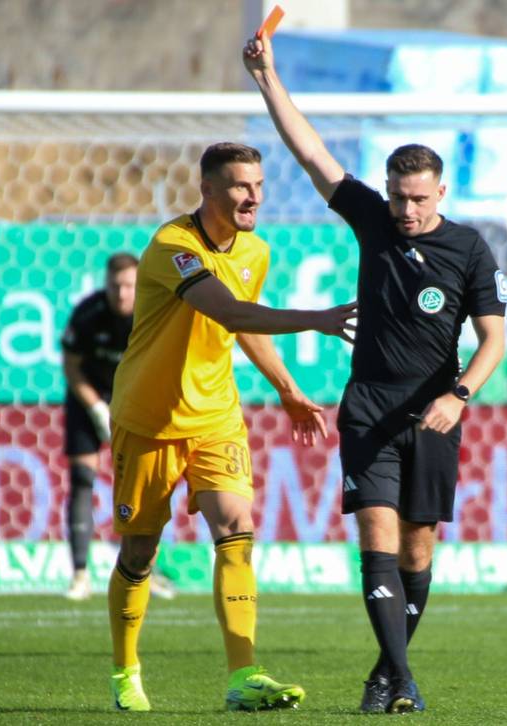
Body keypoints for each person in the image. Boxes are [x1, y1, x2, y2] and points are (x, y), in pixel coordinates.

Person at [244, 30, 507, 715]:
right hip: (367, 408)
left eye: (418, 199)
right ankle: (403, 679)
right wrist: (268, 78)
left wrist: (459, 394)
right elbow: (311, 154)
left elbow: (494, 341)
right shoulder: (374, 222)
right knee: (377, 536)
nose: (407, 210)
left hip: (434, 413)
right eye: (397, 197)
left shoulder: (470, 248)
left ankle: (385, 674)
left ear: (441, 190)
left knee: (419, 550)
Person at [105, 141, 357, 713]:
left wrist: (289, 390)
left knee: (236, 524)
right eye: (241, 186)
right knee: (141, 552)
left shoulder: (256, 251)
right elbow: (231, 311)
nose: (253, 197)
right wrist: (315, 319)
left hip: (216, 416)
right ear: (208, 190)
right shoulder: (174, 247)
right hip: (149, 421)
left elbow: (247, 329)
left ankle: (243, 675)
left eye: (259, 185)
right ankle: (126, 670)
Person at [59, 253, 174, 603]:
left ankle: (143, 571)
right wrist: (96, 408)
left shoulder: (152, 313)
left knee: (142, 486)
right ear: (105, 283)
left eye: (129, 286)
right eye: (115, 286)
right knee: (82, 477)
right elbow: (71, 366)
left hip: (133, 402)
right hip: (89, 400)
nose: (122, 293)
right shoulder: (89, 313)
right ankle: (80, 575)